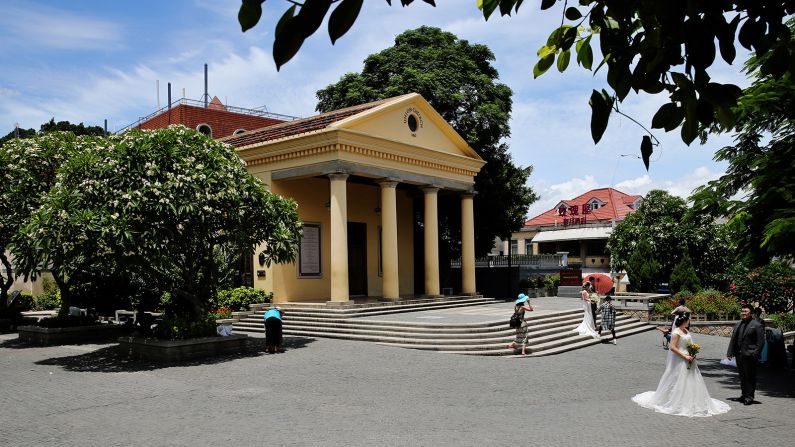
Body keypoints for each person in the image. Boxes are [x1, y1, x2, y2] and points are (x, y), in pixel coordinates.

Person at [632, 313, 731, 417]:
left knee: (691, 378)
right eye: (688, 321)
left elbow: (690, 344)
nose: (689, 322)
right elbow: (673, 347)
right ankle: (675, 399)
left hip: (689, 357)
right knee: (678, 377)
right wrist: (684, 356)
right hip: (680, 358)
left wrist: (693, 353)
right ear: (684, 321)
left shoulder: (686, 331)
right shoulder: (676, 332)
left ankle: (692, 399)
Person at [727, 304, 765, 405]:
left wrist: (755, 354)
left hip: (750, 355)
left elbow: (761, 342)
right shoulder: (738, 323)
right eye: (742, 311)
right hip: (739, 355)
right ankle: (744, 394)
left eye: (745, 311)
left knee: (750, 377)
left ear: (751, 313)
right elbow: (733, 339)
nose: (743, 313)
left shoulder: (757, 324)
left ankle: (749, 397)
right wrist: (730, 352)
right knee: (742, 376)